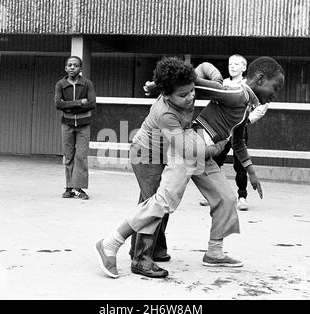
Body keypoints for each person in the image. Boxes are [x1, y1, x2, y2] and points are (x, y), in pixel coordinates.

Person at [94, 57, 244, 279]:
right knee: (154, 202)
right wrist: (221, 145)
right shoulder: (165, 113)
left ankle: (155, 249)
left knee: (158, 203)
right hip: (146, 154)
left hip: (169, 150)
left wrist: (217, 82)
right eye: (183, 95)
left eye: (192, 91)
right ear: (166, 95)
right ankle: (140, 259)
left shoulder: (185, 85)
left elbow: (203, 67)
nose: (191, 97)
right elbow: (191, 151)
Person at [200, 54, 270, 210]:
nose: (232, 67)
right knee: (215, 160)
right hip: (222, 131)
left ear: (244, 68)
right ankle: (212, 194)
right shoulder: (223, 83)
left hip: (239, 129)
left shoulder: (249, 86)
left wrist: (247, 120)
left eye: (236, 64)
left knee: (240, 165)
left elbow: (263, 105)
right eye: (230, 64)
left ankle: (242, 197)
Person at [54, 56, 96, 200]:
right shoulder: (60, 84)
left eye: (76, 65)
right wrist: (79, 103)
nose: (72, 67)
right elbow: (58, 104)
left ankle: (79, 188)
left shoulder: (87, 84)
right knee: (68, 156)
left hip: (83, 126)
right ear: (66, 68)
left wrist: (69, 105)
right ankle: (69, 187)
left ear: (80, 69)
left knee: (81, 157)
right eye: (69, 65)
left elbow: (91, 103)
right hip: (67, 125)